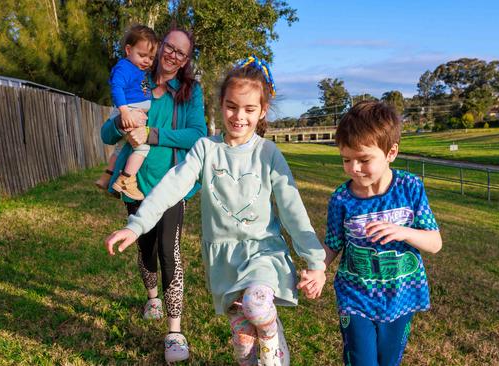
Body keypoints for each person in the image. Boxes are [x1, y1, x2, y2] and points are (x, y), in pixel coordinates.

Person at [105, 56, 327, 366]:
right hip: (224, 261)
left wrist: (315, 259)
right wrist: (137, 225)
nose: (239, 116)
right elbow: (171, 186)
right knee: (243, 344)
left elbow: (292, 207)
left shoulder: (268, 153)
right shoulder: (206, 150)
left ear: (262, 111)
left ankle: (274, 340)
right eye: (232, 107)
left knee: (257, 306)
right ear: (220, 105)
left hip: (263, 252)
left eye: (249, 110)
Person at [100, 28, 207, 363]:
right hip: (135, 184)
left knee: (168, 250)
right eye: (169, 47)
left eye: (182, 53)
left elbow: (197, 135)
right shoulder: (137, 81)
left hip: (173, 184)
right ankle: (152, 298)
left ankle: (174, 331)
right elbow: (107, 133)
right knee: (144, 246)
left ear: (187, 60)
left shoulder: (189, 92)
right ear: (160, 46)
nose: (173, 56)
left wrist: (151, 133)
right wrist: (123, 121)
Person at [311, 101, 442, 366]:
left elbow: (434, 242)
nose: (354, 168)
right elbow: (333, 244)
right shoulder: (341, 198)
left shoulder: (410, 187)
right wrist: (318, 270)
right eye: (346, 160)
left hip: (401, 295)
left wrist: (403, 232)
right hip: (355, 295)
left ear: (391, 152)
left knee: (388, 361)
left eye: (364, 159)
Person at [94, 24, 159, 201]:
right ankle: (126, 180)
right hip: (129, 112)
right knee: (143, 147)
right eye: (142, 55)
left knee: (121, 148)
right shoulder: (125, 67)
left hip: (131, 111)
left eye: (151, 57)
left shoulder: (139, 70)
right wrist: (124, 112)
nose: (147, 61)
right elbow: (117, 88)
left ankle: (106, 177)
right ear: (128, 50)